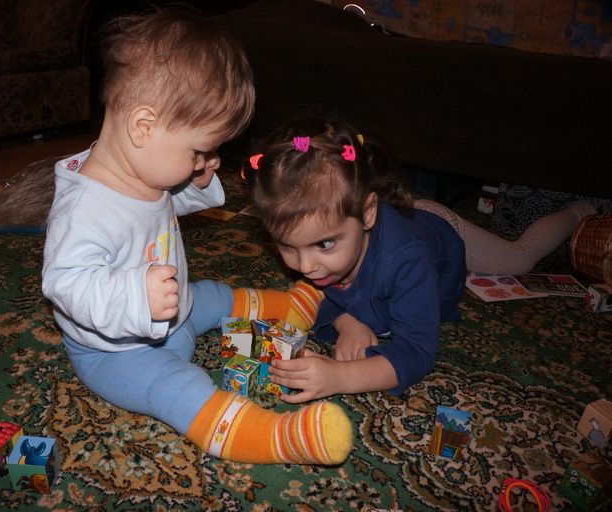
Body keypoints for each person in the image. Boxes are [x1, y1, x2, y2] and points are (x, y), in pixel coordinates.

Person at [41, 8, 352, 465]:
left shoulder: (141, 167)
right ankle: (276, 437)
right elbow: (65, 284)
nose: (205, 160)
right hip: (117, 354)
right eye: (198, 151)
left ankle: (292, 306)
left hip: (176, 312)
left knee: (213, 296)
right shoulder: (83, 213)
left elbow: (160, 204)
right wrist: (135, 297)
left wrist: (197, 181)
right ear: (143, 127)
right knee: (178, 387)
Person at [247, 116, 597, 403]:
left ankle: (582, 210)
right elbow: (315, 296)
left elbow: (417, 352)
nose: (305, 266)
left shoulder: (407, 259)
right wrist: (347, 322)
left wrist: (341, 377)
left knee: (518, 259)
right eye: (287, 246)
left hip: (439, 230)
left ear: (367, 214)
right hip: (389, 219)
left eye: (324, 244)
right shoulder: (322, 243)